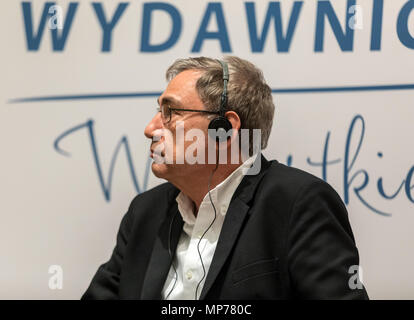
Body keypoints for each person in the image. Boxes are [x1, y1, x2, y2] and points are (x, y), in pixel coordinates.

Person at [81, 56, 369, 300]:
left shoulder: (297, 203)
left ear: (224, 129)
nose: (150, 128)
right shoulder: (146, 211)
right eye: (158, 111)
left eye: (170, 112)